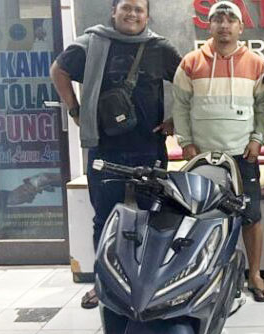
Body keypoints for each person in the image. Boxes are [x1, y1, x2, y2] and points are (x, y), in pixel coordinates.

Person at [50, 0, 181, 308]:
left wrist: (177, 119)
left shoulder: (159, 47)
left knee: (153, 219)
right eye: (126, 8)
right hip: (105, 149)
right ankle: (104, 285)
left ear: (147, 15)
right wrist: (74, 109)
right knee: (105, 221)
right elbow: (59, 70)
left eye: (138, 9)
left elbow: (189, 81)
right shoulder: (91, 43)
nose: (132, 14)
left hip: (149, 148)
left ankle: (149, 286)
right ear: (114, 11)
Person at [172, 1, 264, 301]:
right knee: (202, 218)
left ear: (241, 27)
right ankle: (204, 276)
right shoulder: (190, 62)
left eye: (231, 19)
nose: (224, 25)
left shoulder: (256, 63)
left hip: (243, 155)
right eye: (218, 19)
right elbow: (180, 106)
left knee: (251, 216)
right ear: (210, 25)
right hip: (203, 157)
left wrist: (258, 139)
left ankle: (254, 275)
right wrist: (185, 142)